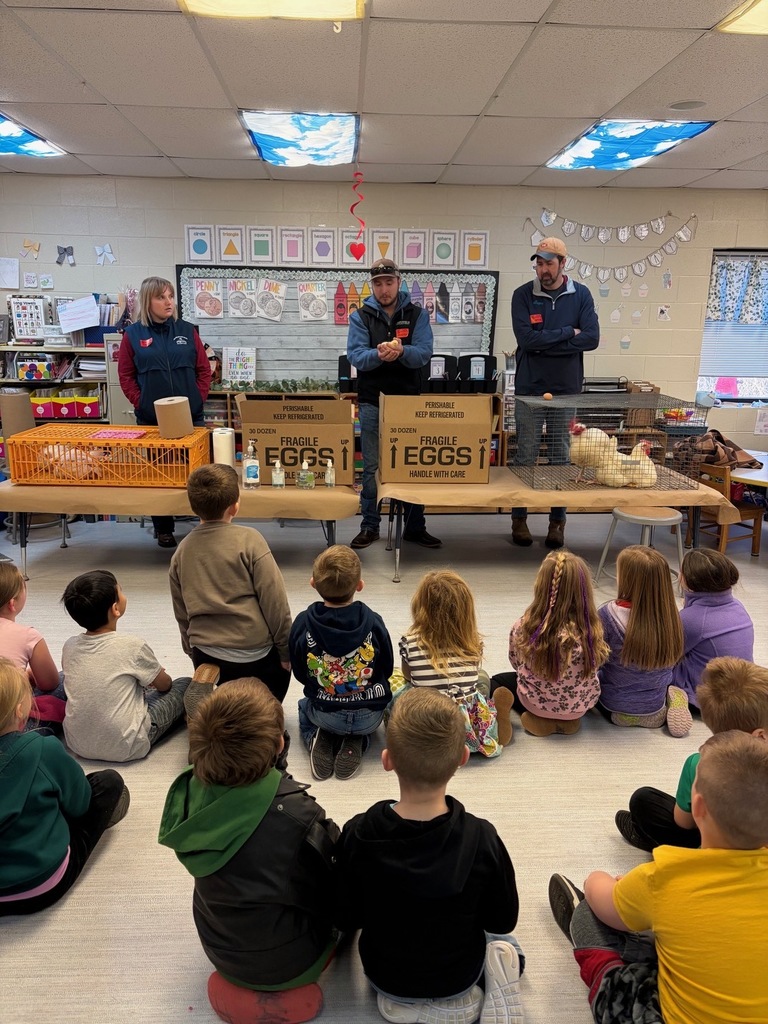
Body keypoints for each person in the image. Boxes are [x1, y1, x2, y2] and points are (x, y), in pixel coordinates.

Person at [549, 730, 768, 1024]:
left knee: (591, 912)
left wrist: (599, 881)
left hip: (667, 1014)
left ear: (699, 808)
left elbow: (601, 895)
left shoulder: (668, 874)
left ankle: (601, 963)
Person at [334, 687, 524, 1024]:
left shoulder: (358, 832)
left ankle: (413, 1006)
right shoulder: (482, 837)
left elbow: (346, 916)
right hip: (459, 972)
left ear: (387, 760)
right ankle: (490, 978)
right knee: (506, 941)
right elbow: (502, 918)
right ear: (462, 760)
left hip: (386, 976)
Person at [159, 679, 339, 1024]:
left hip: (218, 949)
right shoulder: (298, 817)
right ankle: (283, 988)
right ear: (280, 744)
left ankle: (239, 987)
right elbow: (326, 887)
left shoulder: (190, 793)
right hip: (292, 960)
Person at [0, 658, 129, 917]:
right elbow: (81, 805)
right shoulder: (41, 749)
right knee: (109, 783)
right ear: (18, 711)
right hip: (40, 885)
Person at [615, 656, 768, 852]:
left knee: (644, 800)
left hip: (714, 847)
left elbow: (683, 821)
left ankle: (658, 842)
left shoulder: (699, 763)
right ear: (760, 736)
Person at [169, 464, 292, 706]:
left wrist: (191, 650)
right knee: (271, 693)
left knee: (223, 699)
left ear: (193, 507)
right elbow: (275, 603)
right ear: (235, 505)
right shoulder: (250, 540)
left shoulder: (182, 551)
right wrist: (285, 652)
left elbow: (181, 610)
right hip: (256, 655)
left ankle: (213, 697)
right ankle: (260, 709)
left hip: (206, 654)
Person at [509, 237, 600, 550]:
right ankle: (519, 520)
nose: (542, 269)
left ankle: (556, 523)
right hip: (529, 388)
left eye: (549, 263)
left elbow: (592, 338)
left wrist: (545, 340)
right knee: (525, 454)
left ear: (563, 263)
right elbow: (526, 339)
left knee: (561, 457)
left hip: (566, 389)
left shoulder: (581, 295)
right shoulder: (522, 295)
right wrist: (566, 334)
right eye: (539, 262)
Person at [346, 257, 440, 550]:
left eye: (389, 282)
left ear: (399, 282)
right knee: (373, 465)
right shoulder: (360, 316)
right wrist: (379, 354)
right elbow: (356, 356)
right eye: (377, 283)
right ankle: (370, 525)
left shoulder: (416, 314)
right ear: (371, 286)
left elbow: (424, 352)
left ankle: (414, 526)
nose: (383, 289)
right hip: (373, 400)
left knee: (410, 464)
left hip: (409, 403)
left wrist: (401, 353)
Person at [117, 276, 211, 549]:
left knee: (197, 472)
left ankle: (205, 525)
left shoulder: (187, 330)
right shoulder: (133, 335)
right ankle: (164, 529)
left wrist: (197, 397)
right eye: (161, 297)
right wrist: (141, 401)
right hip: (152, 417)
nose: (168, 302)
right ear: (149, 301)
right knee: (159, 474)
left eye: (171, 296)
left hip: (190, 415)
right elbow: (125, 375)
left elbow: (203, 370)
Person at [61, 569, 190, 762]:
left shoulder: (69, 646)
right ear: (115, 609)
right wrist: (156, 675)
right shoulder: (133, 645)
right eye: (120, 591)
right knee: (185, 684)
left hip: (77, 744)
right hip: (128, 745)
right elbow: (165, 685)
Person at [290, 545, 393, 782]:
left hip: (324, 714)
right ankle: (359, 739)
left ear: (313, 583)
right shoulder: (374, 621)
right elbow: (386, 667)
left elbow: (299, 671)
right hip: (369, 716)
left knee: (303, 704)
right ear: (360, 585)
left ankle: (317, 738)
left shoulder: (304, 622)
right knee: (371, 710)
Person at [492, 550, 609, 737]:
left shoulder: (526, 626)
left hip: (536, 704)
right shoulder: (593, 628)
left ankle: (531, 717)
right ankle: (567, 722)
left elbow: (515, 661)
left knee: (497, 681)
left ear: (541, 587)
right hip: (579, 707)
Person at [397, 569, 505, 756]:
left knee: (396, 680)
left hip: (425, 718)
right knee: (482, 679)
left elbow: (408, 676)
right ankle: (492, 724)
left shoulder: (410, 642)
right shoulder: (473, 642)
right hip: (462, 726)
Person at [597, 546, 690, 737]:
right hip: (654, 702)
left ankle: (628, 715)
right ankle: (664, 704)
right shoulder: (673, 618)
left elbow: (595, 659)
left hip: (613, 702)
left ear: (627, 580)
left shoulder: (606, 615)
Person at [671, 548, 754, 706]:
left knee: (657, 666)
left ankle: (678, 696)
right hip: (742, 689)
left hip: (712, 697)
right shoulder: (738, 606)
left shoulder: (691, 619)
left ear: (689, 580)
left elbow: (668, 655)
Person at [0, 561, 65, 729]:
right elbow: (49, 683)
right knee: (64, 679)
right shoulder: (28, 635)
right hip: (9, 725)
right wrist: (27, 675)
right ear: (12, 603)